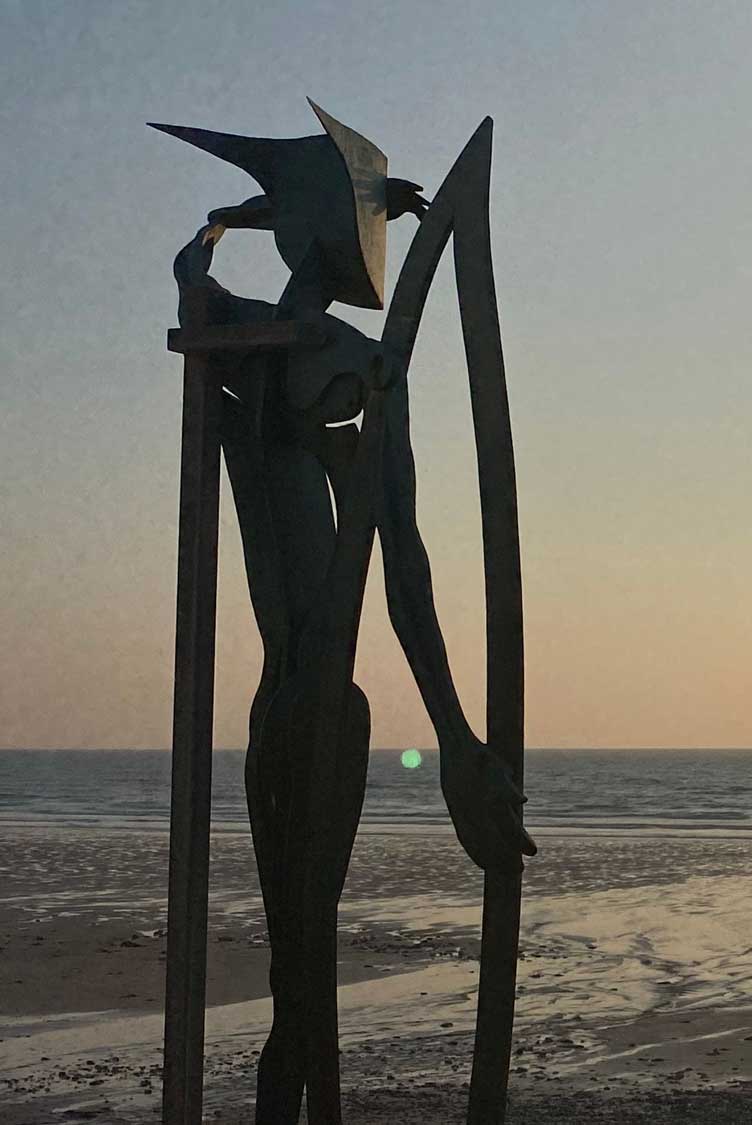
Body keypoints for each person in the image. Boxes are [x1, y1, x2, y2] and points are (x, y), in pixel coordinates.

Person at [164, 107, 533, 1124]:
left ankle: (287, 1100)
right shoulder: (306, 352)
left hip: (306, 700)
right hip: (303, 705)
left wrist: (457, 741)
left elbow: (401, 562)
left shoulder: (279, 348)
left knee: (303, 966)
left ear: (301, 232)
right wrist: (452, 736)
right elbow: (403, 562)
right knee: (298, 967)